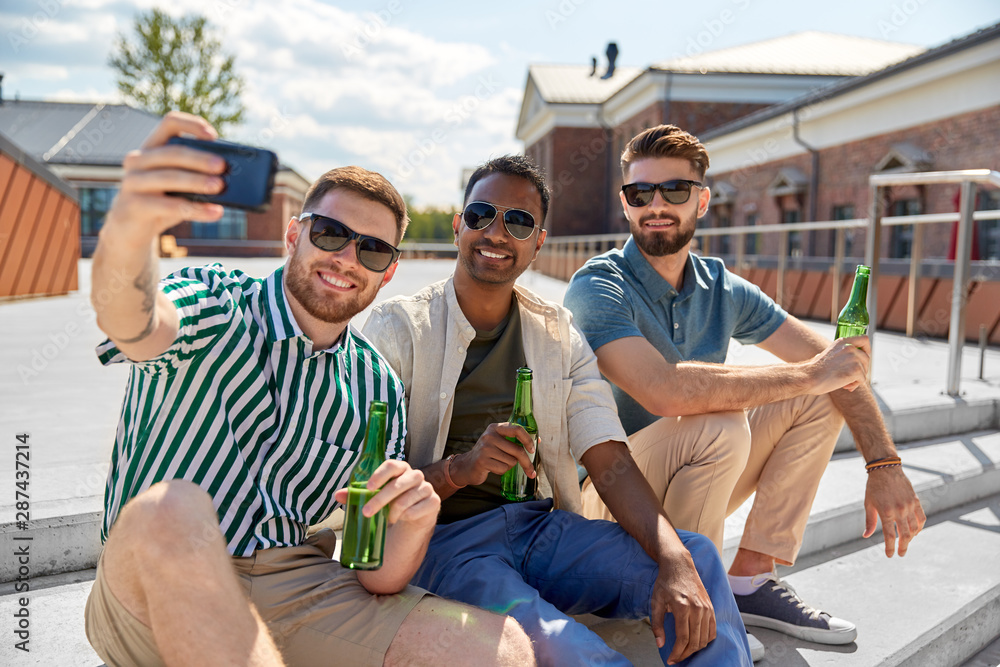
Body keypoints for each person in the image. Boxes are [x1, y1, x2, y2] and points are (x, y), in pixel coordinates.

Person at [84, 111, 535, 667]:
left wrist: (415, 525)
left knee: (504, 651)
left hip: (293, 582)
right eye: (330, 234)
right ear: (294, 234)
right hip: (159, 574)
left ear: (388, 272)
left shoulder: (376, 386)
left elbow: (375, 573)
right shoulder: (216, 303)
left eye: (371, 250)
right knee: (170, 508)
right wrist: (130, 227)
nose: (346, 259)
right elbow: (132, 321)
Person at [362, 155, 753, 666]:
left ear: (539, 241)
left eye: (519, 221)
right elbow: (368, 485)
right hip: (445, 546)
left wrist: (674, 556)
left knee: (695, 558)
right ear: (459, 226)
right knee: (573, 650)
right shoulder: (397, 330)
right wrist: (463, 469)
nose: (497, 233)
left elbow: (607, 454)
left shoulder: (557, 334)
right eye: (481, 214)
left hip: (540, 529)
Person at [564, 124, 927, 648]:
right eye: (640, 193)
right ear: (625, 204)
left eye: (675, 190)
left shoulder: (722, 287)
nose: (656, 205)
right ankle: (689, 598)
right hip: (606, 496)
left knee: (817, 396)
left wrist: (885, 464)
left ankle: (749, 579)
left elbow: (838, 367)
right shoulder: (599, 284)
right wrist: (813, 372)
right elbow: (662, 390)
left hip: (688, 475)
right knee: (724, 419)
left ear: (703, 200)